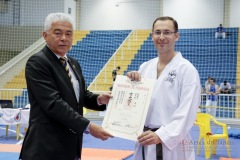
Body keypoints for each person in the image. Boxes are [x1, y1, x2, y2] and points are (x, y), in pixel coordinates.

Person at [19, 12, 113, 160]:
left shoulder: (73, 63)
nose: (64, 38)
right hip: (45, 147)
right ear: (45, 35)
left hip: (71, 145)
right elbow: (53, 103)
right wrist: (88, 126)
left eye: (68, 34)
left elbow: (80, 95)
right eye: (58, 33)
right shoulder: (38, 62)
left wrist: (99, 99)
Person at [126, 16, 201, 160]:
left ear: (176, 36)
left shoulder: (187, 70)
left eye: (167, 32)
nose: (161, 37)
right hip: (145, 139)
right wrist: (130, 85)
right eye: (157, 32)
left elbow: (187, 112)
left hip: (172, 146)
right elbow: (135, 105)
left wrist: (162, 135)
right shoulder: (145, 67)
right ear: (152, 36)